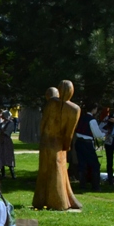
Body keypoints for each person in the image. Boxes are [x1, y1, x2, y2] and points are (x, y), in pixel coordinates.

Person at [33, 80, 81, 211]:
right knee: (57, 171)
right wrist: (66, 146)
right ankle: (59, 202)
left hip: (46, 141)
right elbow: (69, 133)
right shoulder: (74, 109)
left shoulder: (51, 104)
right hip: (58, 143)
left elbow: (43, 124)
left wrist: (43, 138)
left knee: (46, 171)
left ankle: (42, 199)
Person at [74, 102, 104, 191]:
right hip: (87, 143)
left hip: (78, 142)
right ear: (94, 109)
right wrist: (104, 134)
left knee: (82, 164)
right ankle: (95, 186)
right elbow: (97, 134)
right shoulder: (92, 120)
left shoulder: (80, 118)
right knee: (95, 164)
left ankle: (82, 185)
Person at [0, 110, 17, 178]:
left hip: (6, 141)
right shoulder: (1, 123)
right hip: (0, 140)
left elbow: (7, 132)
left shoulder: (11, 123)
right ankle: (3, 174)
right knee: (0, 155)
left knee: (8, 155)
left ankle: (12, 173)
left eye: (3, 115)